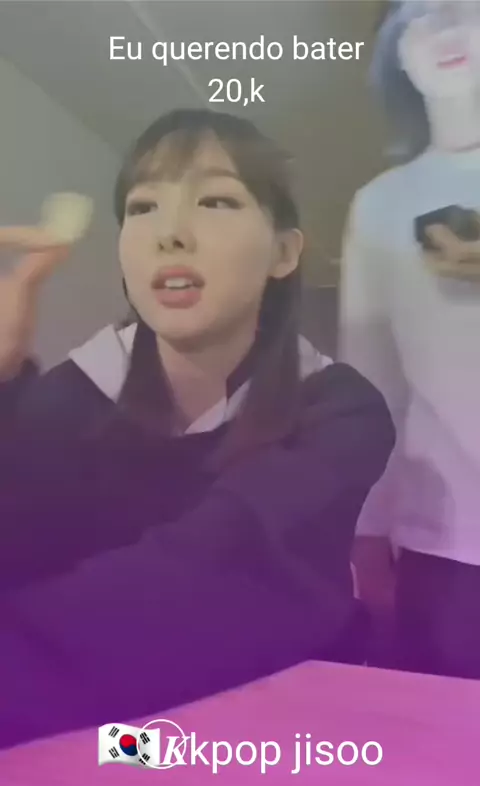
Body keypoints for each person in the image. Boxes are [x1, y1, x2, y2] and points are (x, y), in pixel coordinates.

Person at [0, 109, 394, 749]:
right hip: (101, 742)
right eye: (143, 207)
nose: (171, 233)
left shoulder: (341, 413)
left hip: (287, 737)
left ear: (283, 253)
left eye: (215, 200)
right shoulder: (68, 399)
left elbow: (218, 573)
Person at [340, 1, 480, 677]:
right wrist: (366, 528)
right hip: (441, 547)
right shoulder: (380, 204)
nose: (447, 28)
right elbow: (371, 384)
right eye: (422, 12)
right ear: (395, 48)